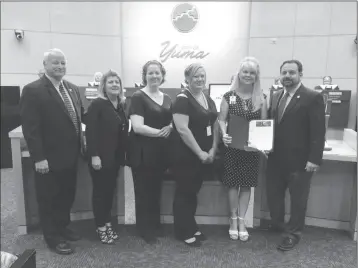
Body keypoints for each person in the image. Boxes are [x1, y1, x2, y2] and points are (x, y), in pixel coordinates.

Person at [20, 48, 85, 255]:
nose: (60, 66)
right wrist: (38, 157)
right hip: (48, 159)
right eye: (55, 62)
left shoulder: (73, 89)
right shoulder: (33, 90)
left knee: (66, 195)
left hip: (71, 156)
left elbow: (78, 118)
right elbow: (31, 127)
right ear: (45, 65)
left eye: (63, 63)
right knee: (49, 198)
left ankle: (62, 227)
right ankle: (53, 237)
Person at [267, 59, 325, 251]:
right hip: (275, 159)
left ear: (300, 74)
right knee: (275, 196)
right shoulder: (275, 96)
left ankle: (293, 234)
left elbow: (318, 131)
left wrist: (314, 159)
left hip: (300, 161)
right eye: (284, 73)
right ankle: (278, 225)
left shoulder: (312, 97)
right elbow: (271, 125)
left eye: (292, 72)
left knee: (298, 199)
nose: (287, 76)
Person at [218, 57, 267, 241]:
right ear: (239, 73)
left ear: (256, 76)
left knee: (246, 186)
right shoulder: (229, 96)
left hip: (251, 150)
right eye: (245, 71)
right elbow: (221, 119)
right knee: (232, 184)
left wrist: (264, 143)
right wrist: (223, 133)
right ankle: (232, 219)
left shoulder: (261, 98)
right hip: (233, 148)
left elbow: (263, 124)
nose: (248, 75)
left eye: (252, 72)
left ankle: (241, 220)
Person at [171, 63, 219, 247]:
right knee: (184, 192)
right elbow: (182, 129)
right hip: (186, 155)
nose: (199, 79)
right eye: (195, 76)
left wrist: (213, 149)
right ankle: (182, 231)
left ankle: (190, 225)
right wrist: (200, 152)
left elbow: (214, 124)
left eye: (202, 76)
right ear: (187, 79)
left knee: (193, 192)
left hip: (204, 155)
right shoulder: (182, 99)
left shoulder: (207, 98)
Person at [128, 60, 173, 244]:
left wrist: (169, 127)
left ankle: (155, 224)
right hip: (142, 152)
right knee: (143, 191)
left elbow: (172, 121)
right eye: (150, 73)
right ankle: (144, 229)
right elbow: (138, 127)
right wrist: (162, 133)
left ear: (162, 76)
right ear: (145, 76)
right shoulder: (138, 97)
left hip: (160, 152)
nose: (154, 76)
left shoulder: (168, 98)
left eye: (157, 73)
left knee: (156, 189)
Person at [85, 69, 128, 244]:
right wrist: (94, 155)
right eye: (110, 82)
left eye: (117, 82)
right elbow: (91, 132)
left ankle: (107, 221)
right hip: (100, 157)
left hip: (114, 158)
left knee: (109, 192)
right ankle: (100, 226)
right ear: (103, 86)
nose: (114, 85)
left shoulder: (119, 104)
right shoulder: (97, 104)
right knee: (101, 193)